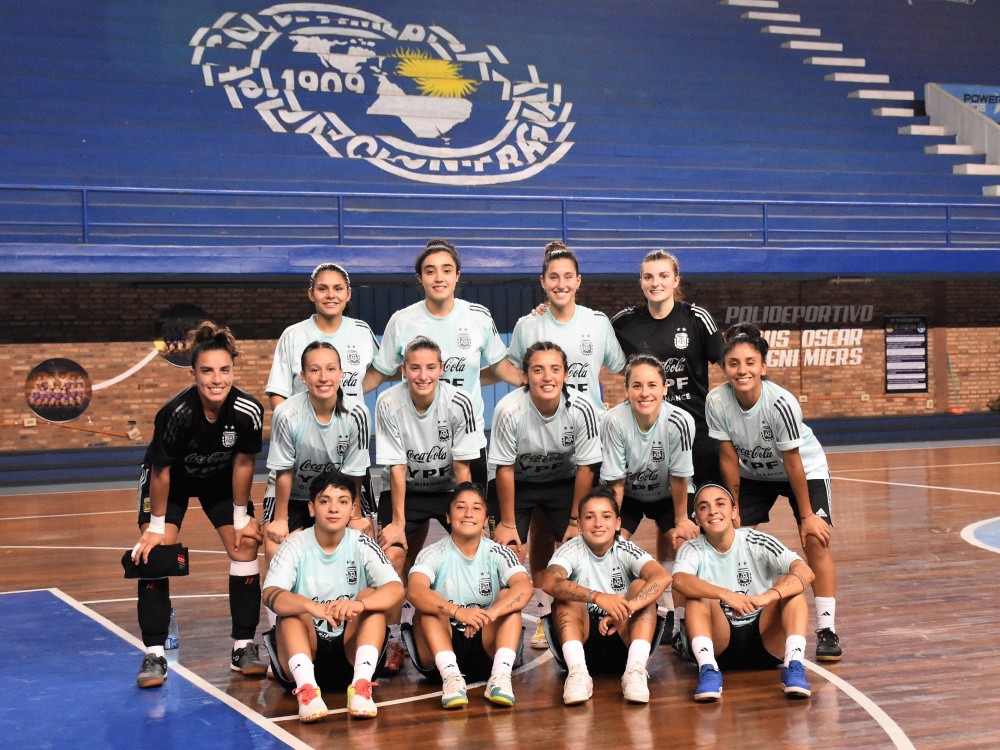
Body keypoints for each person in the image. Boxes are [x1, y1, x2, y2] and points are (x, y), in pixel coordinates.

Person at [131, 322, 266, 688]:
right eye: (207, 371)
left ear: (233, 371)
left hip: (219, 478)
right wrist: (155, 528)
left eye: (224, 370)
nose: (216, 379)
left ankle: (243, 646)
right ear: (193, 374)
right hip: (171, 481)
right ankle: (155, 654)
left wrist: (241, 517)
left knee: (245, 544)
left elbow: (244, 463)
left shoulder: (248, 410)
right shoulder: (175, 413)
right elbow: (161, 472)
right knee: (156, 553)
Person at [706, 323, 842, 661]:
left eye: (750, 362)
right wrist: (734, 507)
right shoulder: (716, 401)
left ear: (763, 367)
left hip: (803, 469)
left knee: (816, 539)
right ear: (724, 368)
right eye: (734, 363)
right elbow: (728, 457)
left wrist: (807, 516)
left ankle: (826, 629)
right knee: (731, 536)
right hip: (753, 473)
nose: (742, 370)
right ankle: (736, 620)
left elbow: (793, 462)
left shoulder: (780, 402)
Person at [364, 239, 522, 487]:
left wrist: (538, 381)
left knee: (471, 511)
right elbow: (378, 374)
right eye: (430, 271)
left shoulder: (477, 317)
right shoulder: (402, 321)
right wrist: (335, 393)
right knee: (416, 511)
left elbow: (503, 368)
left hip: (468, 439)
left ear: (457, 275)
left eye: (447, 270)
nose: (439, 278)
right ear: (420, 278)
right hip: (417, 441)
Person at [261, 471, 404, 721]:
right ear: (311, 508)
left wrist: (360, 604)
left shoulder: (362, 543)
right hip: (305, 652)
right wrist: (311, 606)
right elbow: (270, 593)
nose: (334, 508)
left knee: (371, 597)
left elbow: (395, 588)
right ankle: (307, 691)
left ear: (353, 509)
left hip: (351, 654)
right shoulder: (293, 545)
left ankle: (361, 686)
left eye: (343, 501)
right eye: (325, 501)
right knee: (293, 609)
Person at [375, 336, 482, 664]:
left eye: (430, 367)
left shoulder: (460, 402)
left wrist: (468, 515)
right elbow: (397, 467)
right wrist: (397, 523)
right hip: (405, 490)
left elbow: (463, 468)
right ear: (403, 370)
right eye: (415, 368)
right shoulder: (388, 402)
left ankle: (476, 627)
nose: (423, 375)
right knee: (393, 555)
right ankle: (392, 638)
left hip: (449, 489)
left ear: (442, 369)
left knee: (473, 551)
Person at [671, 484, 815, 702]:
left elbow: (805, 572)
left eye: (720, 504)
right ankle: (708, 669)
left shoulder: (755, 541)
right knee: (698, 595)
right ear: (697, 519)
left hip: (764, 636)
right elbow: (680, 580)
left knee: (791, 591)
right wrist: (726, 595)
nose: (713, 511)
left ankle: (794, 665)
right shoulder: (691, 549)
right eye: (704, 507)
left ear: (734, 511)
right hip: (720, 642)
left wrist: (766, 597)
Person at [264, 263, 379, 524]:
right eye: (322, 288)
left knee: (359, 528)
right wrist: (301, 434)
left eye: (338, 288)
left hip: (347, 449)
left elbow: (382, 371)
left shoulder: (361, 331)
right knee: (285, 534)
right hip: (305, 451)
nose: (330, 295)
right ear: (311, 294)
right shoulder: (293, 335)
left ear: (348, 294)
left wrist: (352, 395)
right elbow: (278, 394)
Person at [405, 482, 534, 709]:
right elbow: (415, 591)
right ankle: (451, 677)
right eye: (460, 507)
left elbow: (525, 588)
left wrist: (489, 614)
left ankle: (501, 676)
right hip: (439, 652)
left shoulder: (499, 552)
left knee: (508, 597)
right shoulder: (432, 553)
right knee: (430, 603)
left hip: (486, 647)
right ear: (448, 517)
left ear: (485, 520)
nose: (468, 514)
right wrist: (458, 612)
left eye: (476, 508)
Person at [541, 488, 670, 705]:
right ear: (579, 524)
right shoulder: (570, 550)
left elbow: (662, 577)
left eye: (606, 516)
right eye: (589, 517)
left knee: (641, 586)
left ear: (618, 523)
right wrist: (597, 597)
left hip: (622, 639)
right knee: (566, 592)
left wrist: (627, 608)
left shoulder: (626, 549)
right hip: (581, 642)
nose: (598, 523)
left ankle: (635, 670)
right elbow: (549, 582)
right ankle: (577, 672)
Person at [610, 250, 723, 488]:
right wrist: (547, 310)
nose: (655, 283)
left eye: (663, 276)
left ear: (676, 280)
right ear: (641, 282)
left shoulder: (696, 318)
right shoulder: (624, 322)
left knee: (706, 499)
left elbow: (731, 365)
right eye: (648, 277)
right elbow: (588, 334)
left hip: (697, 430)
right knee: (660, 503)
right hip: (648, 433)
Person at [263, 341, 372, 581]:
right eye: (315, 370)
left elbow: (354, 474)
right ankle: (280, 606)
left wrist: (354, 516)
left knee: (364, 543)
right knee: (275, 550)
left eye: (331, 369)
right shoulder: (287, 414)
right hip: (293, 494)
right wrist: (280, 519)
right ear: (303, 377)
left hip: (339, 492)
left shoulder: (357, 414)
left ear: (341, 374)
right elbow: (283, 471)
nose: (323, 377)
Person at [488, 342, 603, 570]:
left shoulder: (582, 408)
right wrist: (508, 523)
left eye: (555, 369)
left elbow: (587, 468)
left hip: (563, 482)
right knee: (509, 551)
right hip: (516, 483)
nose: (547, 377)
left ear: (566, 375)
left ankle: (548, 593)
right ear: (524, 376)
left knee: (574, 549)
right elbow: (504, 469)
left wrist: (575, 522)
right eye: (538, 370)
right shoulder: (508, 409)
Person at [601, 354, 696, 556]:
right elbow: (616, 483)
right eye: (637, 386)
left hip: (669, 496)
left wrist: (681, 520)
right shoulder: (614, 420)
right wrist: (611, 523)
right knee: (607, 546)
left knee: (685, 546)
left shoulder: (680, 421)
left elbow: (679, 477)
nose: (645, 393)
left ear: (664, 388)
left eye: (652, 385)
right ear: (626, 390)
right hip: (629, 497)